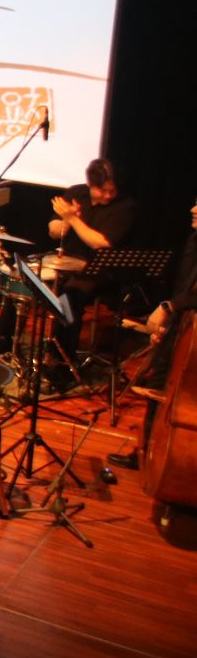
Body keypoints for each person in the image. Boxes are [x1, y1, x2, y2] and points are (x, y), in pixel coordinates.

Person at [109, 198, 197, 471]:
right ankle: (147, 451)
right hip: (182, 327)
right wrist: (170, 326)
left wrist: (170, 308)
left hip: (189, 331)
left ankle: (161, 456)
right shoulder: (194, 240)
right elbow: (185, 288)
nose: (192, 209)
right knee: (157, 387)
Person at [47, 158, 137, 361]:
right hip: (65, 264)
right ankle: (4, 342)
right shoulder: (75, 193)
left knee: (69, 295)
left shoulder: (125, 206)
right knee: (21, 280)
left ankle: (62, 359)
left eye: (112, 190)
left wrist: (73, 219)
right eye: (102, 190)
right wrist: (65, 222)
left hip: (100, 270)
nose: (108, 195)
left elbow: (101, 243)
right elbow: (53, 231)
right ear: (89, 184)